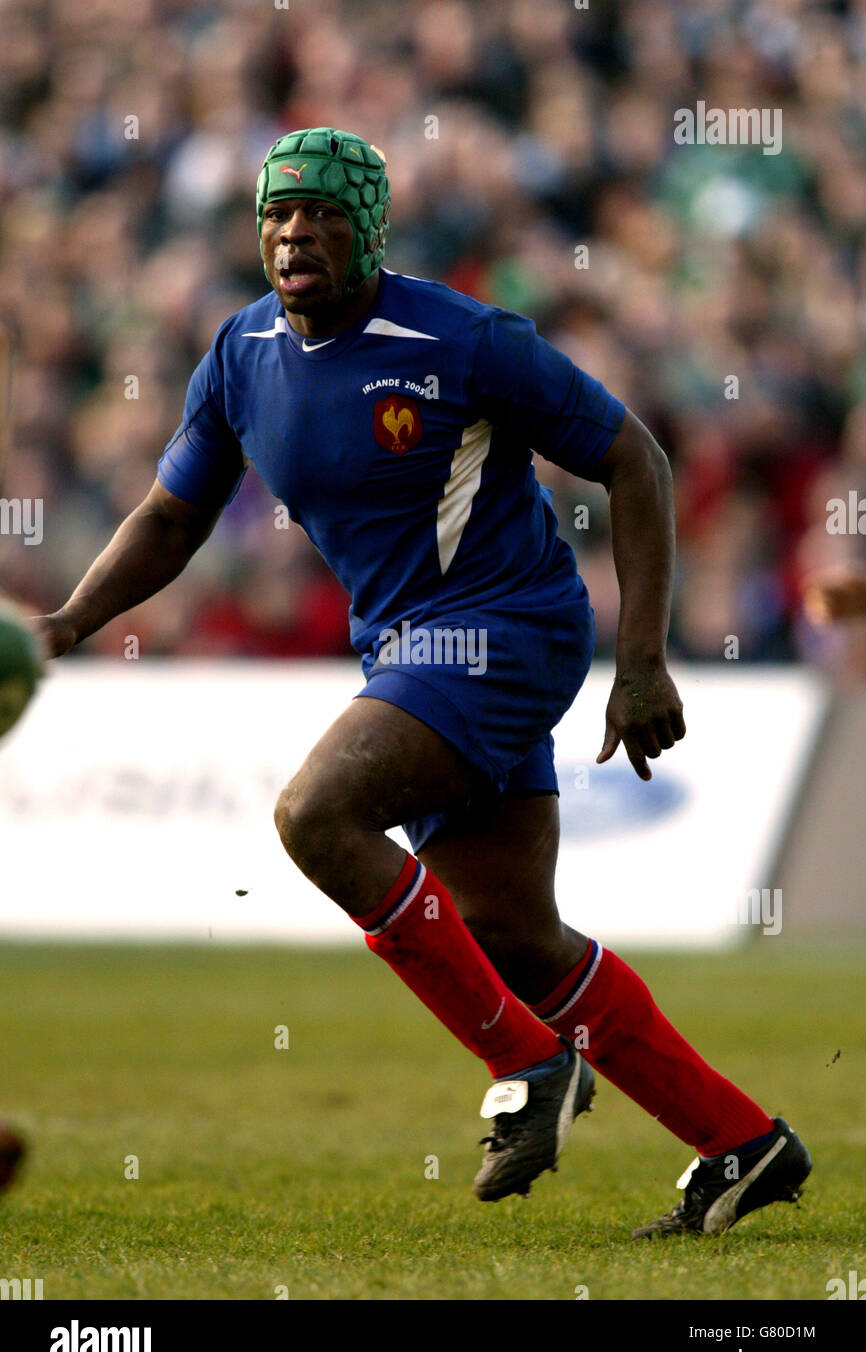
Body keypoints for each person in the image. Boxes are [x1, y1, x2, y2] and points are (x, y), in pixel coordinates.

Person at [34, 127, 810, 1234]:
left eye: (322, 215)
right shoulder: (240, 353)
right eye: (276, 214)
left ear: (370, 232)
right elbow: (172, 514)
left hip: (503, 628)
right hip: (406, 646)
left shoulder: (459, 336)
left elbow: (631, 453)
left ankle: (527, 1070)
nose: (294, 232)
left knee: (316, 814)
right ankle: (742, 1142)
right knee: (509, 938)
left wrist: (639, 661)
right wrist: (69, 620)